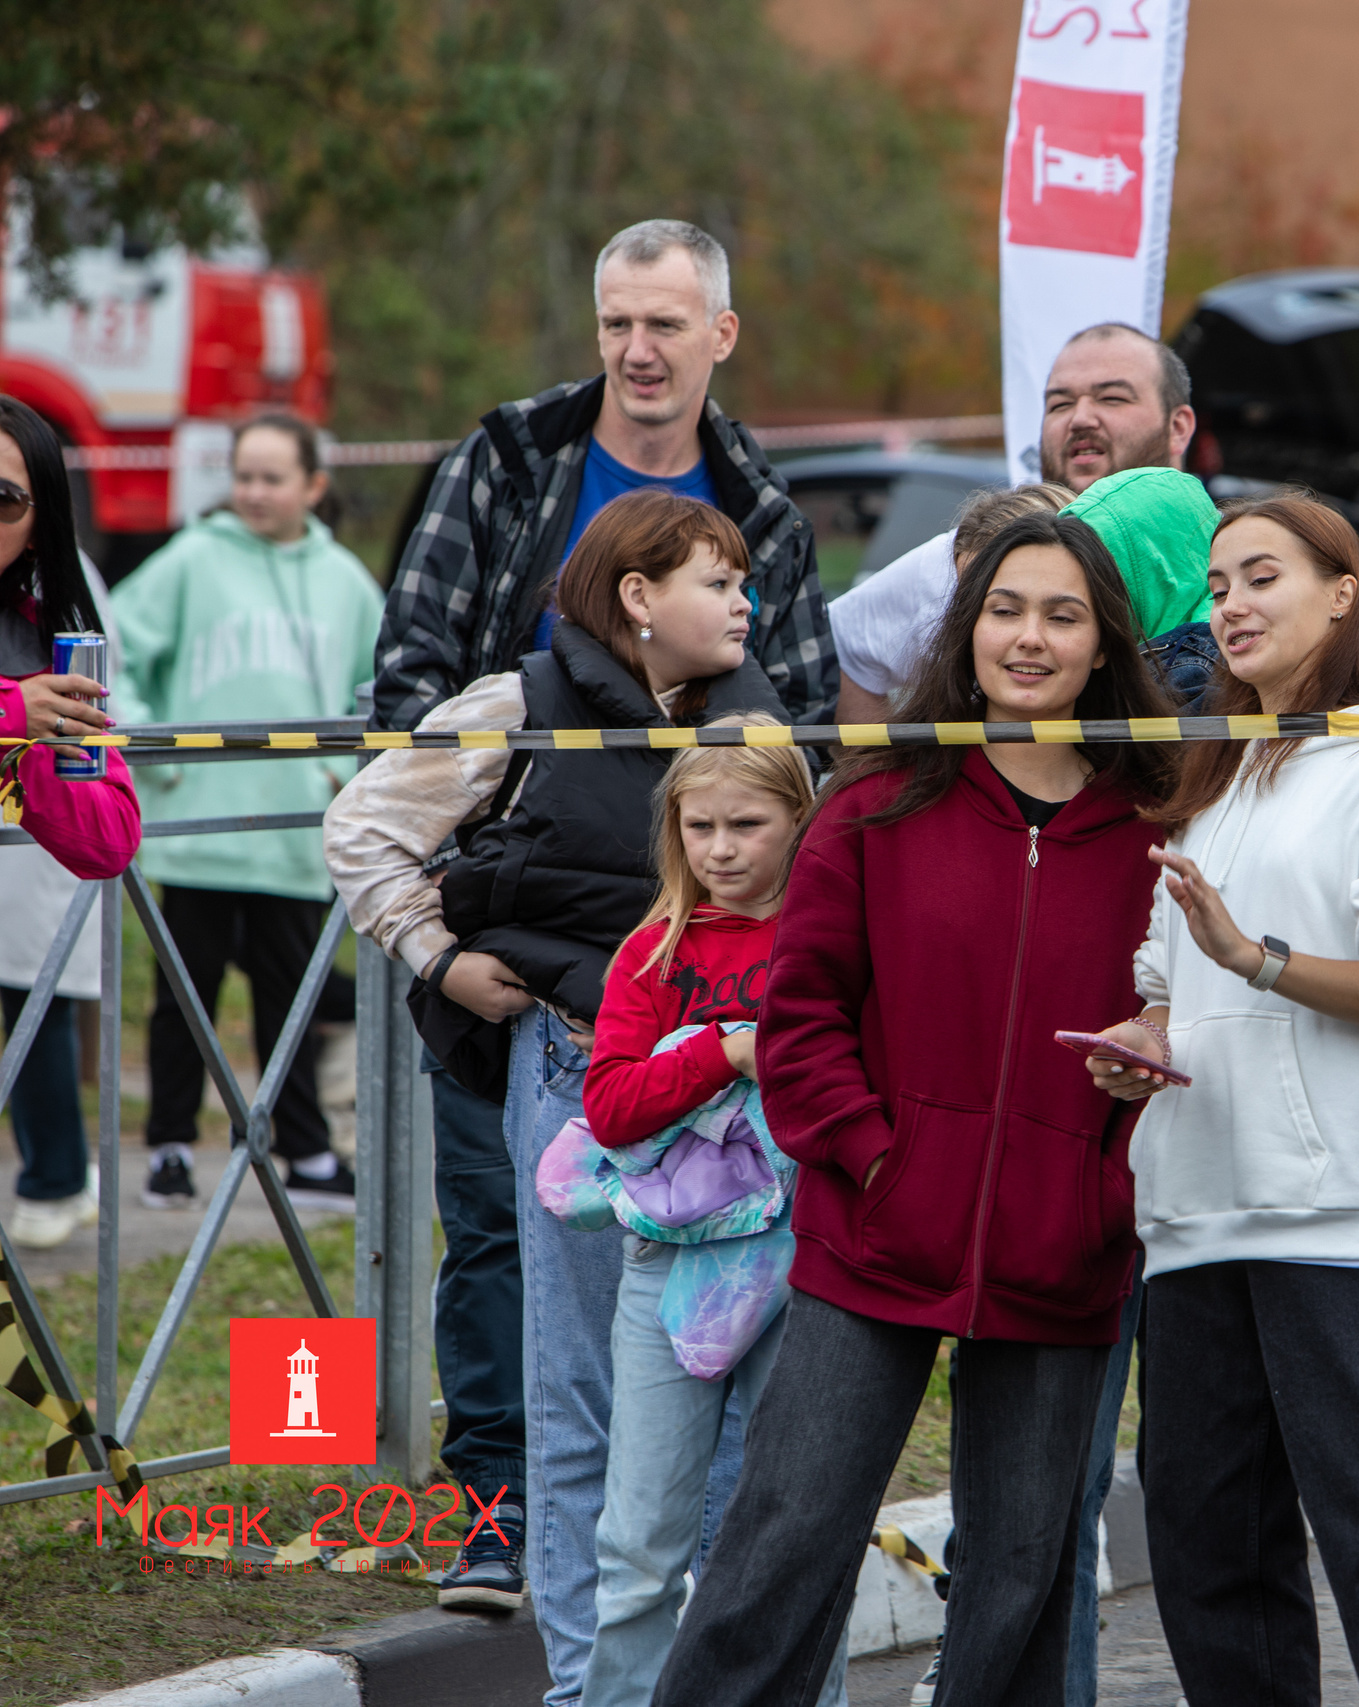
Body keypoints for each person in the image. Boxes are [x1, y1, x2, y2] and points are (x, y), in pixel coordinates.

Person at [365, 217, 833, 1613]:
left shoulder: (762, 503)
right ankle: (497, 1516)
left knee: (711, 1264)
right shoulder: (509, 459)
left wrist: (742, 898)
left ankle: (680, 1570)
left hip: (711, 981)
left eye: (667, 325)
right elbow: (410, 675)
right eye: (617, 321)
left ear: (720, 338)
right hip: (535, 965)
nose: (637, 350)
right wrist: (450, 921)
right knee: (506, 1238)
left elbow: (803, 731)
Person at [650, 509, 1179, 1707]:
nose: (1028, 638)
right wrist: (871, 1157)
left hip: (1065, 1247)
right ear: (966, 629)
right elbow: (802, 1016)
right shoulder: (877, 802)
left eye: (1061, 615)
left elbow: (1179, 1019)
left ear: (1105, 647)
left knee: (1022, 1576)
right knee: (780, 1544)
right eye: (1005, 609)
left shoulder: (1153, 828)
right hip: (872, 1229)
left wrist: (1109, 1177)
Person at [327, 489, 788, 1688]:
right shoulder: (516, 707)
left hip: (748, 1100)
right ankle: (591, 1684)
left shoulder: (756, 714)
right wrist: (440, 958)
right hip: (586, 1078)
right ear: (639, 598)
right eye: (716, 579)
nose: (746, 601)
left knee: (731, 1393)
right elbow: (361, 826)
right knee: (581, 1389)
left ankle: (710, 1674)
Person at [1080, 493, 1359, 1705]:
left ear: (1342, 592)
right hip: (1194, 1217)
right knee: (1209, 1560)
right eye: (1214, 588)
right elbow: (1170, 995)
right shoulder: (1208, 781)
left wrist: (1256, 958)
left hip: (1343, 1222)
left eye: (1261, 577)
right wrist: (1134, 1044)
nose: (1232, 606)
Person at [572, 722, 844, 1707]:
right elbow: (608, 1108)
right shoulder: (654, 949)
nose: (720, 849)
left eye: (746, 824)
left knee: (798, 1540)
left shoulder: (837, 937)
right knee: (639, 1545)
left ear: (800, 819)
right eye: (699, 827)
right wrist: (727, 1052)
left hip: (806, 1261)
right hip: (667, 1261)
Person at [114, 412, 383, 1213]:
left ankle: (299, 1147)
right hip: (195, 829)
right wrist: (143, 745)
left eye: (272, 477)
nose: (254, 493)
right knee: (183, 998)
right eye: (243, 476)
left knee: (290, 995)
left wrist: (337, 771)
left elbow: (379, 684)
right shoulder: (193, 559)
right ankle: (169, 1145)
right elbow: (113, 644)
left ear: (313, 486)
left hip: (293, 833)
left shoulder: (344, 581)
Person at [830, 322, 1213, 722]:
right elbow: (846, 646)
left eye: (1112, 398)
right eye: (1060, 404)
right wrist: (890, 779)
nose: (1081, 418)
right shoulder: (970, 551)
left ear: (1179, 426)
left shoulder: (1235, 553)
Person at [0, 398, 137, 1251]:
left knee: (34, 1013)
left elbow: (108, 837)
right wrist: (12, 713)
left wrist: (39, 744)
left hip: (22, 904)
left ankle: (55, 1176)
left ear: (39, 519)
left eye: (2, 499)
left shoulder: (48, 629)